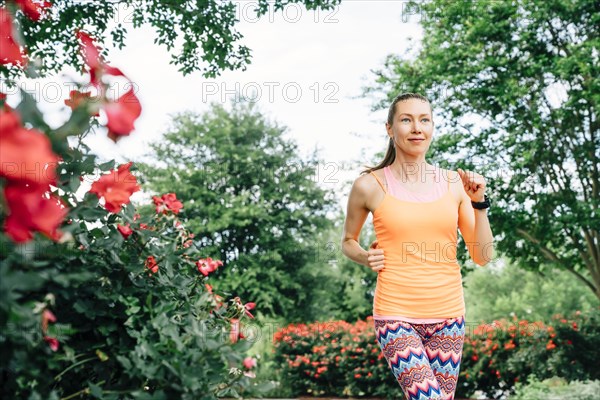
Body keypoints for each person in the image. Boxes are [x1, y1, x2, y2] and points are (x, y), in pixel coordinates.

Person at [340, 92, 494, 400]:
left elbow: (482, 255)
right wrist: (365, 256)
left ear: (433, 127)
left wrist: (480, 204)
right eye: (406, 120)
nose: (416, 128)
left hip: (449, 316)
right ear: (389, 128)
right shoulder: (369, 184)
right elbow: (348, 242)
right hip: (395, 315)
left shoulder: (454, 184)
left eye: (424, 120)